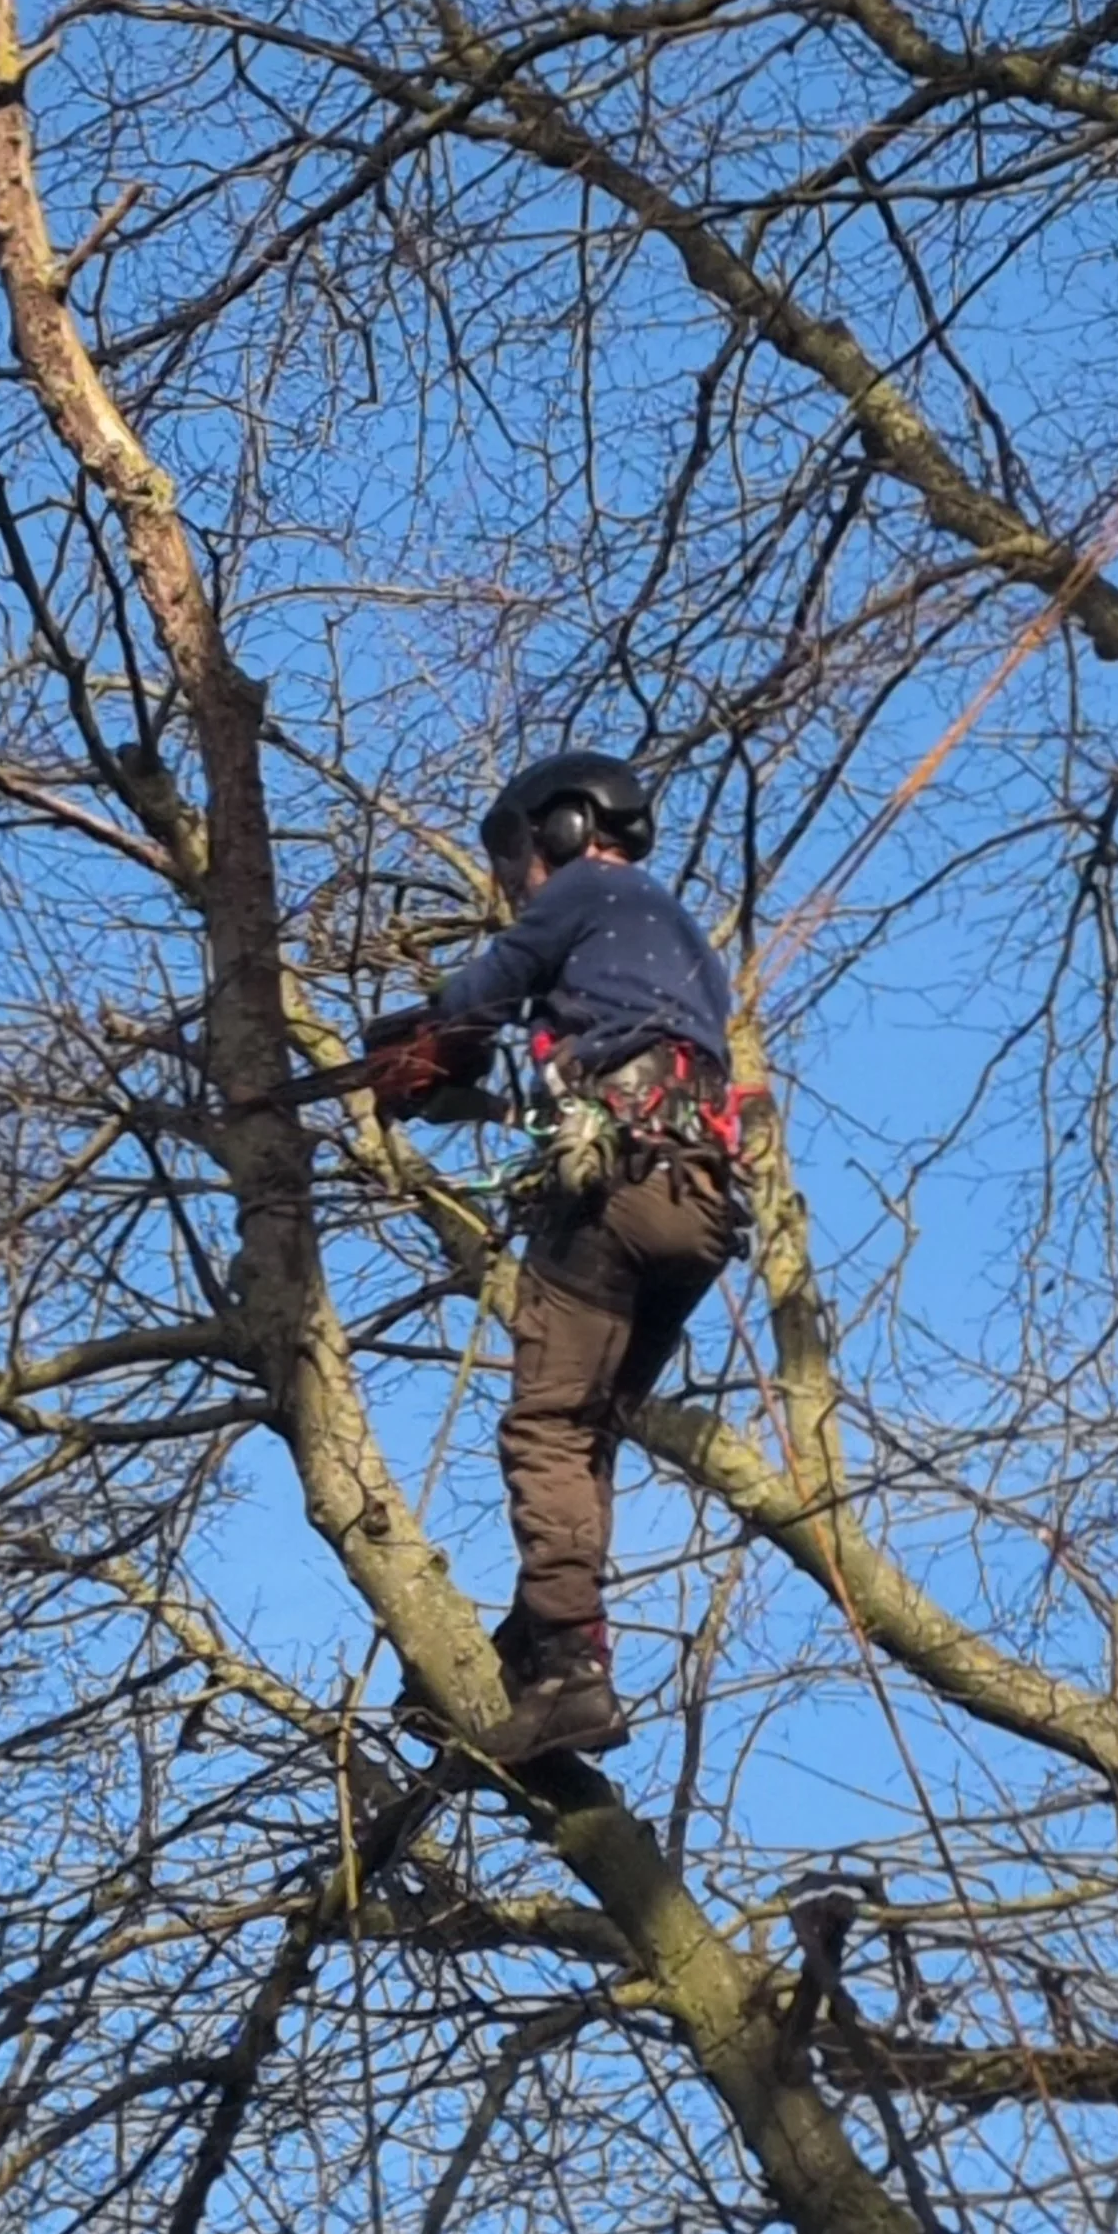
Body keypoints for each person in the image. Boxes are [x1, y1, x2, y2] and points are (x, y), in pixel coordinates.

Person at [370, 746, 740, 1761]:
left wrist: (422, 1046)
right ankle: (541, 1640)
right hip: (694, 1205)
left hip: (616, 1190)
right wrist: (481, 1085)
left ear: (564, 831)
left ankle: (572, 1670)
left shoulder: (581, 889)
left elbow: (480, 989)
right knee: (588, 1431)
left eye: (516, 859)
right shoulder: (676, 938)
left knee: (544, 1426)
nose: (516, 882)